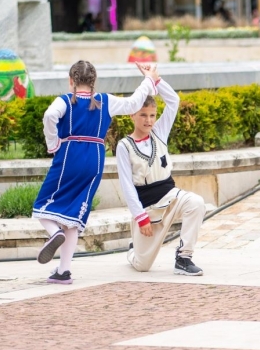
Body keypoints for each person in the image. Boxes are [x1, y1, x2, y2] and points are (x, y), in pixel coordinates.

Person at [32, 60, 160, 284]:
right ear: (94, 82)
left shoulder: (64, 101)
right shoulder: (105, 101)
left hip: (70, 153)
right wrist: (148, 80)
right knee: (73, 218)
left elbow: (49, 116)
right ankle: (63, 271)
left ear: (71, 81)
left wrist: (53, 143)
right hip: (95, 158)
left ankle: (54, 233)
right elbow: (133, 103)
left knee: (41, 206)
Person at [117, 74, 206, 275]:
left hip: (170, 196)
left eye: (152, 115)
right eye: (143, 115)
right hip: (148, 208)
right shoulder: (124, 146)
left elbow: (173, 100)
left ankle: (184, 258)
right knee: (142, 266)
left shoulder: (159, 132)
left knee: (196, 203)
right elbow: (126, 185)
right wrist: (141, 218)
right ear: (132, 115)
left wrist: (155, 78)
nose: (148, 120)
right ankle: (134, 248)